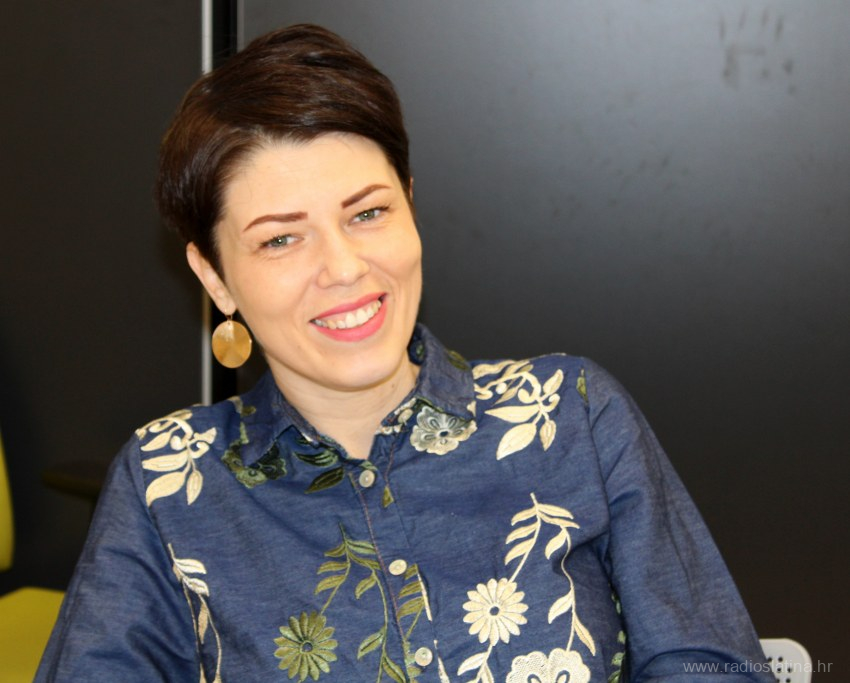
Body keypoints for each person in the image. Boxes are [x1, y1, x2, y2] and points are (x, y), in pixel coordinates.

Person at [36, 24, 774, 683]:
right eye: (281, 238)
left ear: (410, 206)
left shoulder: (573, 413)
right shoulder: (166, 482)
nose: (343, 267)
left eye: (367, 212)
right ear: (214, 277)